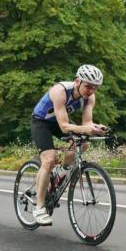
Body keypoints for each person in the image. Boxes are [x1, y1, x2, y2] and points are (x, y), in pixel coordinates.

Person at [30, 64, 108, 225]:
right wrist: (86, 128)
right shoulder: (59, 91)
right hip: (42, 122)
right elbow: (65, 126)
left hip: (60, 122)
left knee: (84, 144)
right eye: (88, 86)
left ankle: (62, 171)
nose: (91, 91)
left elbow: (87, 123)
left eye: (95, 88)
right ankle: (39, 207)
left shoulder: (90, 97)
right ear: (77, 81)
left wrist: (95, 127)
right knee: (49, 159)